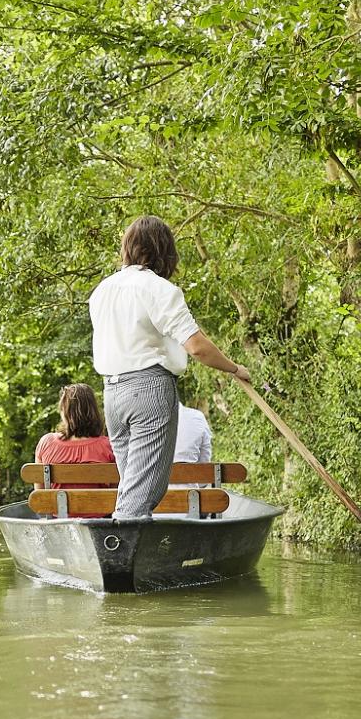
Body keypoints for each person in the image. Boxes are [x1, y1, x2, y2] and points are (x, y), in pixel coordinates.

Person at [89, 215, 250, 520]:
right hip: (149, 389)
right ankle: (118, 559)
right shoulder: (159, 289)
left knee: (132, 487)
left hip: (113, 395)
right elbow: (197, 347)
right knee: (142, 493)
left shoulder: (101, 291)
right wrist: (234, 368)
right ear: (164, 251)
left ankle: (129, 557)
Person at [34, 383, 115, 517]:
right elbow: (116, 495)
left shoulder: (46, 443)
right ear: (94, 412)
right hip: (101, 521)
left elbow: (41, 497)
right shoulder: (109, 446)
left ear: (64, 412)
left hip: (58, 520)